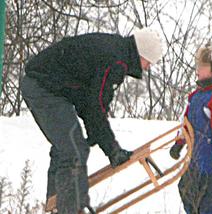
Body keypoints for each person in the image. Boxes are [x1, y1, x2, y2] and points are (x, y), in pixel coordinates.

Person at [21, 28, 163, 214]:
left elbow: (89, 100)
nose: (147, 67)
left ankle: (59, 204)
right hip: (43, 87)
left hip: (47, 85)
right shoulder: (116, 61)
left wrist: (96, 132)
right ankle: (68, 208)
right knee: (73, 149)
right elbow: (96, 105)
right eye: (149, 62)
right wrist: (112, 149)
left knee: (70, 144)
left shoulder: (116, 52)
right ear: (141, 53)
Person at [170, 46, 212, 214]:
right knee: (187, 190)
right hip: (195, 159)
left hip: (211, 161)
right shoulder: (197, 96)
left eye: (202, 67)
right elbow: (186, 122)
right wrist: (179, 142)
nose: (197, 70)